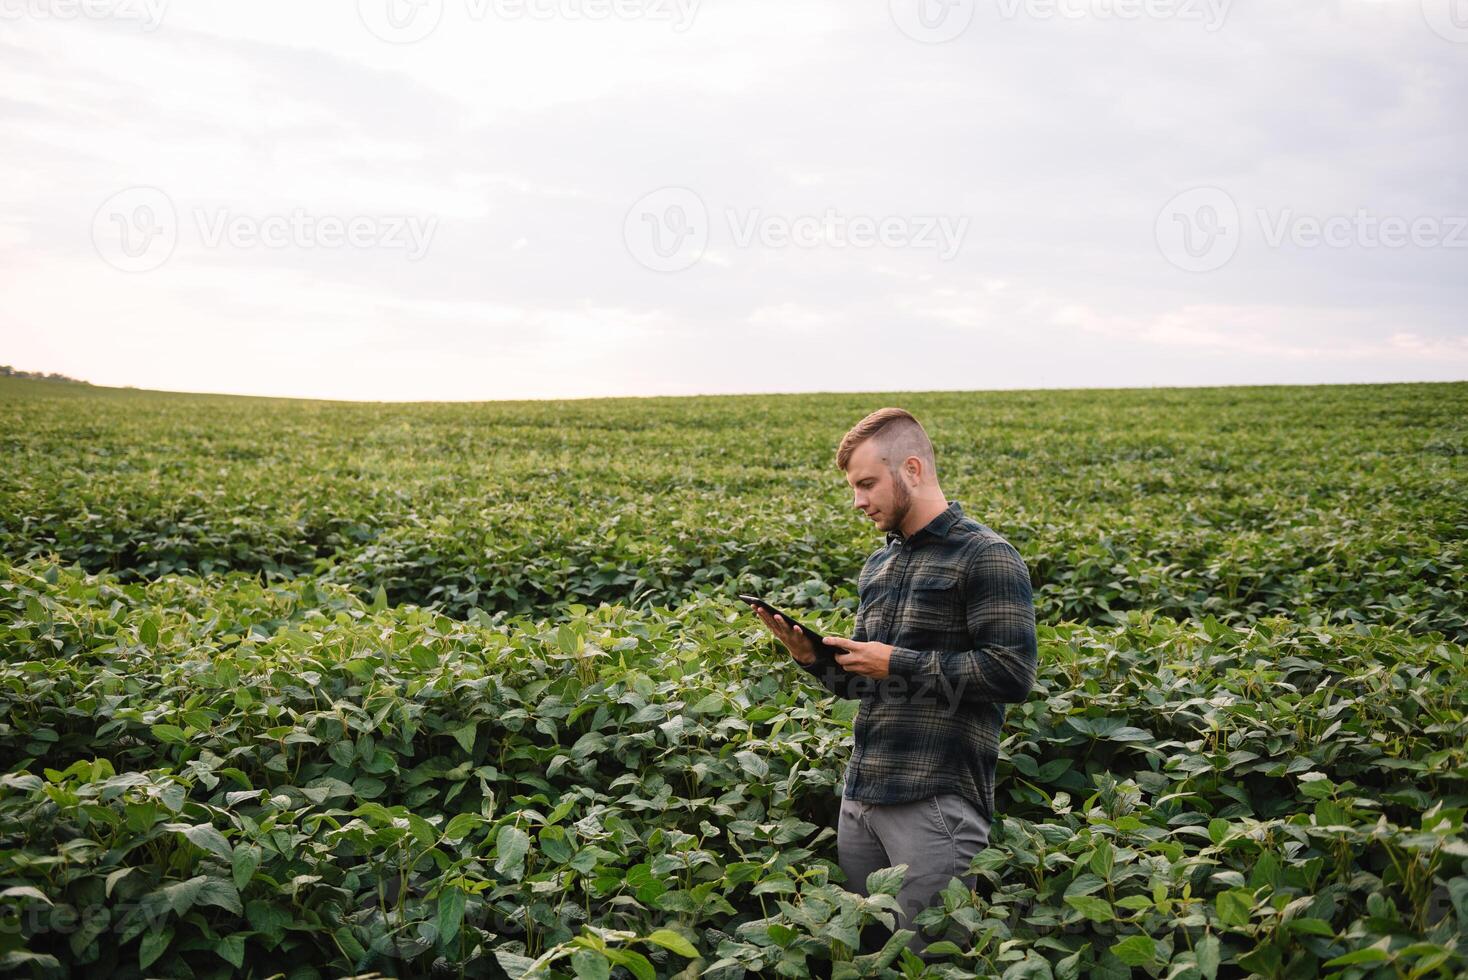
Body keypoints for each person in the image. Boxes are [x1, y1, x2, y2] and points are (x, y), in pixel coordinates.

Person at [750, 406, 1038, 960]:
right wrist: (813, 657)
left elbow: (1012, 673)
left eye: (866, 483)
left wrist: (896, 662)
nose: (857, 501)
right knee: (866, 954)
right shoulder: (878, 566)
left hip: (934, 797)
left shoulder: (987, 556)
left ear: (911, 468)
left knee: (932, 960)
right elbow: (866, 683)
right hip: (863, 795)